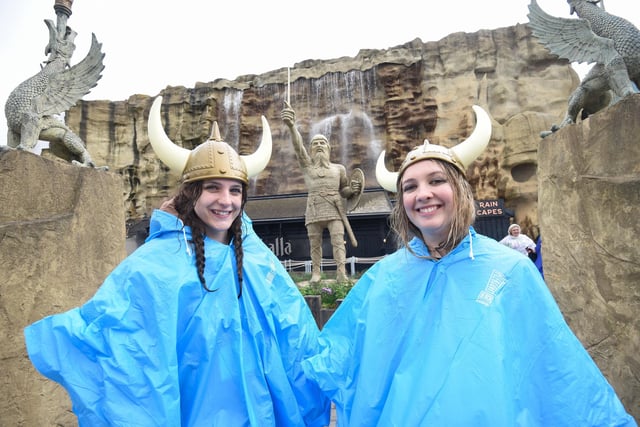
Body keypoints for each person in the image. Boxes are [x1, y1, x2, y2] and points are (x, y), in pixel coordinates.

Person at [300, 106, 636, 426]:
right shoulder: (383, 277)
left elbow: (554, 364)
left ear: (460, 190)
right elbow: (336, 356)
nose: (423, 194)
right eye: (410, 187)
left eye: (436, 181)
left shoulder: (510, 270)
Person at [23, 96, 331, 427]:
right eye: (213, 188)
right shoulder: (156, 262)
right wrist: (72, 337)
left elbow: (297, 334)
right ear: (191, 193)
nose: (225, 201)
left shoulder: (258, 258)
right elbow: (126, 339)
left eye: (234, 190)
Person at [281, 102, 362, 284]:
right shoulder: (307, 167)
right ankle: (316, 273)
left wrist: (354, 190)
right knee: (314, 244)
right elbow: (298, 147)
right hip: (314, 208)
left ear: (328, 148)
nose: (318, 145)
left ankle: (341, 272)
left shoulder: (339, 169)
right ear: (311, 149)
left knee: (338, 241)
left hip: (335, 209)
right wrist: (292, 126)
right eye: (315, 143)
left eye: (322, 143)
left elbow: (344, 191)